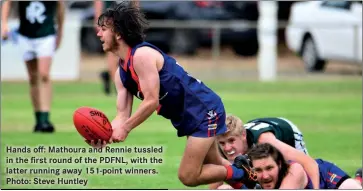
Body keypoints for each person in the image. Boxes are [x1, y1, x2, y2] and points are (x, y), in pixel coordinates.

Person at [87, 1, 256, 187]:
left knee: (188, 176)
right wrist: (105, 134)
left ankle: (242, 171)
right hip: (188, 117)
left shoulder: (142, 56)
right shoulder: (121, 73)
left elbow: (151, 102)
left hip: (204, 111)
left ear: (118, 33)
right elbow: (122, 114)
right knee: (216, 165)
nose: (98, 33)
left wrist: (126, 129)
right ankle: (250, 183)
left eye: (103, 29)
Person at [1, 1, 65, 133]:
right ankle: (39, 119)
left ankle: (46, 117)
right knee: (33, 77)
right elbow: (8, 2)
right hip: (25, 35)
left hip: (46, 34)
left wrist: (60, 32)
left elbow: (60, 8)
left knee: (44, 74)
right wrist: (4, 24)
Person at [212, 115, 319, 189]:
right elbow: (216, 181)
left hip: (286, 131)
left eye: (231, 141)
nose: (227, 148)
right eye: (222, 143)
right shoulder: (220, 149)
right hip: (253, 134)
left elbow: (310, 163)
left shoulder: (264, 140)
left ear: (243, 135)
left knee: (300, 174)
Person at [247, 143, 362, 189]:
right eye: (259, 170)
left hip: (325, 179)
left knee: (352, 188)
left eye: (269, 168)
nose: (265, 176)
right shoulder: (250, 175)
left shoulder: (294, 171)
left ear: (280, 164)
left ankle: (359, 178)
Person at [94, 0, 139, 95]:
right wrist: (98, 19)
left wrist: (135, 18)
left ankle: (111, 77)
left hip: (125, 21)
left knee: (124, 53)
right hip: (110, 21)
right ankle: (118, 85)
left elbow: (135, 3)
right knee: (113, 53)